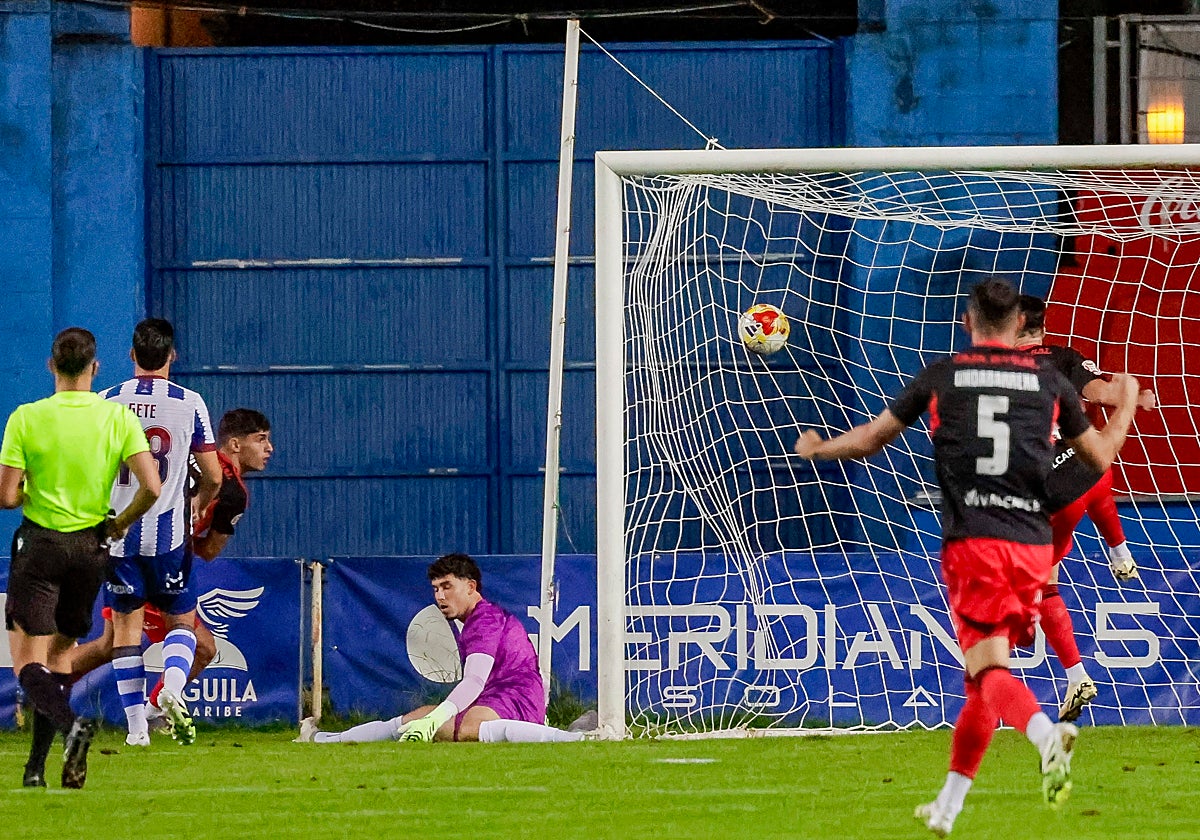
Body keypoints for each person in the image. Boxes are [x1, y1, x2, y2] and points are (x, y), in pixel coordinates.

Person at [793, 278, 1139, 836]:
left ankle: (1046, 736)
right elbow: (1099, 460)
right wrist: (1122, 407)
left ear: (968, 322)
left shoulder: (944, 375)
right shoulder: (1050, 378)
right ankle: (948, 807)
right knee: (980, 679)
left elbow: (870, 440)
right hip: (1033, 546)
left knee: (989, 670)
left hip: (976, 543)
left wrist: (819, 447)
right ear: (1018, 324)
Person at [0, 327, 162, 788]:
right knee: (60, 656)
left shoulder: (27, 418)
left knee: (27, 662)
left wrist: (32, 489)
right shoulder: (117, 417)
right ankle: (35, 771)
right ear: (95, 368)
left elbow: (6, 496)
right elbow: (152, 487)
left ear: (51, 366)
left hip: (41, 546)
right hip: (91, 549)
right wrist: (121, 522)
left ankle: (72, 726)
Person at [69, 408, 274, 720]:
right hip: (159, 561)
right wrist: (183, 538)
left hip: (120, 547)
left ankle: (43, 681)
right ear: (235, 444)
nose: (269, 448)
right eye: (261, 440)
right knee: (202, 648)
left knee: (111, 643)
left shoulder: (185, 456)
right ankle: (152, 715)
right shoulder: (231, 491)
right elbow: (209, 551)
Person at [1015, 294, 1157, 722]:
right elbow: (1104, 392)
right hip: (1089, 473)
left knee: (1044, 584)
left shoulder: (994, 372)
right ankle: (1120, 552)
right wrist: (1131, 394)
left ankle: (1075, 674)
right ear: (1042, 327)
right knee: (1096, 462)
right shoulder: (1063, 357)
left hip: (1050, 493)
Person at [298, 553, 589, 745]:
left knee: (463, 729)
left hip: (517, 695)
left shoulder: (484, 619)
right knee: (418, 718)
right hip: (496, 697)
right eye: (436, 589)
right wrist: (432, 719)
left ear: (471, 587)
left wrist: (435, 720)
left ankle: (576, 738)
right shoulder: (474, 619)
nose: (440, 596)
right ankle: (323, 739)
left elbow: (474, 680)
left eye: (447, 586)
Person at [99, 318, 223, 747]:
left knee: (126, 629)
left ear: (132, 355)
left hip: (117, 534)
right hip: (168, 536)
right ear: (172, 356)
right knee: (181, 622)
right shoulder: (190, 403)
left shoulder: (107, 401)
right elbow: (213, 474)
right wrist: (199, 501)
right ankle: (171, 685)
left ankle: (137, 730)